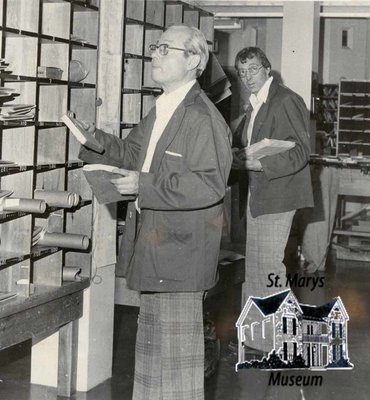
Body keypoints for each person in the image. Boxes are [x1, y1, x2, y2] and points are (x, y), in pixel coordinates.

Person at [79, 25, 232, 400]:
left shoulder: (202, 117)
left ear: (193, 60)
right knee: (150, 362)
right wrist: (93, 139)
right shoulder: (164, 107)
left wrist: (143, 186)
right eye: (155, 47)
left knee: (177, 373)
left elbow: (209, 184)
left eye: (166, 48)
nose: (155, 54)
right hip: (155, 253)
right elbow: (134, 154)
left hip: (180, 259)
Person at [232, 47, 313, 349]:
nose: (247, 77)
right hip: (259, 195)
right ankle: (258, 337)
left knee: (268, 269)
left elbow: (301, 151)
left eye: (252, 69)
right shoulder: (255, 105)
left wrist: (259, 163)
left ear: (267, 69)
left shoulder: (286, 99)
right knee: (256, 267)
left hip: (278, 196)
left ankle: (286, 340)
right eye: (241, 73)